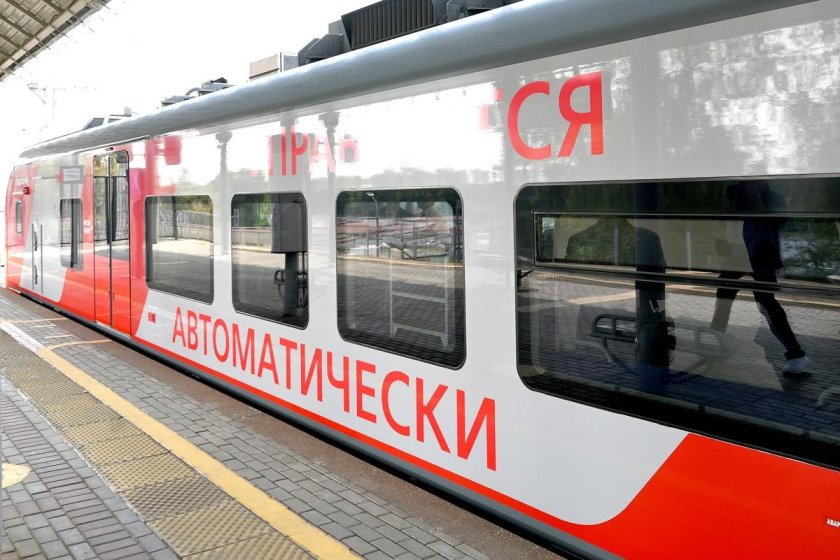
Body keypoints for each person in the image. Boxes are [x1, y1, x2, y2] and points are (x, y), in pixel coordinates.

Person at [711, 182, 811, 376]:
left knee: (766, 301)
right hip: (738, 254)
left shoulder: (773, 198)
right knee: (724, 294)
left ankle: (796, 354)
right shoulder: (739, 192)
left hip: (760, 254)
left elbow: (779, 222)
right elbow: (727, 217)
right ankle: (716, 340)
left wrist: (756, 201)